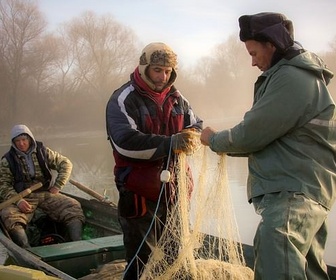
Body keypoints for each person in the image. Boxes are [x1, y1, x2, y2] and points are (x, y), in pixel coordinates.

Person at [200, 12, 336, 280]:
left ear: (271, 44)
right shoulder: (294, 76)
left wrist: (213, 139)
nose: (252, 62)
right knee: (309, 272)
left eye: (253, 53)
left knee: (277, 265)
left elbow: (253, 133)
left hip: (293, 194)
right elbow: (266, 137)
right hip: (305, 194)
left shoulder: (292, 79)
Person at [106, 42, 203, 279]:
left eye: (168, 71)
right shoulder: (123, 98)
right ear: (144, 68)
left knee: (176, 257)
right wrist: (171, 143)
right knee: (140, 260)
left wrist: (191, 136)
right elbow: (125, 142)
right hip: (139, 193)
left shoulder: (178, 98)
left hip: (175, 192)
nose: (163, 76)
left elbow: (196, 124)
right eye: (158, 70)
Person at [0, 124, 85, 248]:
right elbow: (3, 185)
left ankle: (77, 243)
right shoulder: (7, 160)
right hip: (22, 198)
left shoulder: (43, 152)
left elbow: (65, 163)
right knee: (9, 216)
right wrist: (18, 201)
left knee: (72, 206)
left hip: (46, 194)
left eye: (24, 140)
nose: (21, 144)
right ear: (13, 143)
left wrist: (58, 185)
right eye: (18, 141)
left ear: (29, 139)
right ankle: (26, 249)